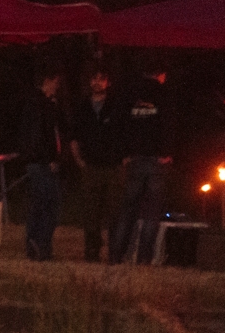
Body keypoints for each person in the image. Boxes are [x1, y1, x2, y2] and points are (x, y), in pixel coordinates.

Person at [109, 66, 173, 265]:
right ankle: (144, 258)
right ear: (160, 73)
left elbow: (120, 124)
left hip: (134, 158)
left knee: (128, 209)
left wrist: (125, 153)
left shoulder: (130, 92)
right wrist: (166, 152)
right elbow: (168, 123)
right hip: (155, 158)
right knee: (152, 212)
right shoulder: (163, 93)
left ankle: (116, 255)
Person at [71, 68, 125, 263]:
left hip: (112, 167)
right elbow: (74, 137)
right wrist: (79, 161)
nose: (97, 82)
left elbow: (125, 133)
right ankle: (91, 253)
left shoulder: (116, 106)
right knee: (91, 214)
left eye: (101, 79)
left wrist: (123, 158)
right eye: (94, 78)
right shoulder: (82, 107)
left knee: (114, 214)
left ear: (107, 82)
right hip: (91, 167)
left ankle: (114, 255)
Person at [18, 71, 67, 261]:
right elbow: (42, 136)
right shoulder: (41, 106)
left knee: (40, 204)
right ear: (47, 81)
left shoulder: (36, 104)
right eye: (55, 83)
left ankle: (35, 244)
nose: (57, 87)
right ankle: (41, 244)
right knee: (49, 203)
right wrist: (50, 159)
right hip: (41, 163)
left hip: (36, 161)